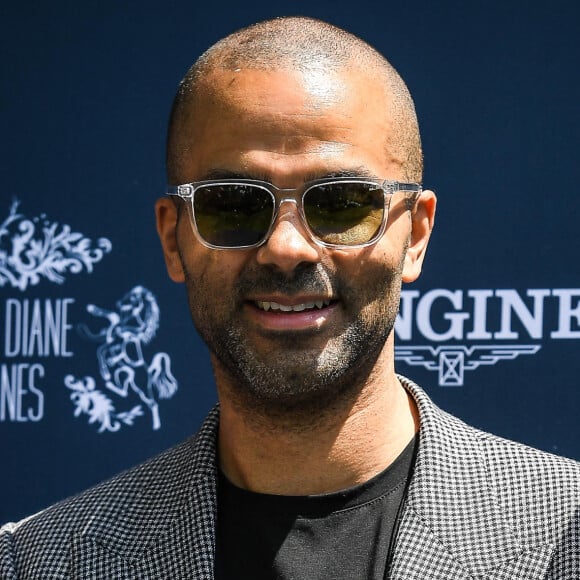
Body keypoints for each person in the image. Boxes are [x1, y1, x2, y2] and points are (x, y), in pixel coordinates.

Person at [1, 16, 578, 580]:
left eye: (343, 204)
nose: (286, 248)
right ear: (172, 238)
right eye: (233, 204)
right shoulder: (40, 560)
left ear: (416, 236)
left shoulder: (567, 535)